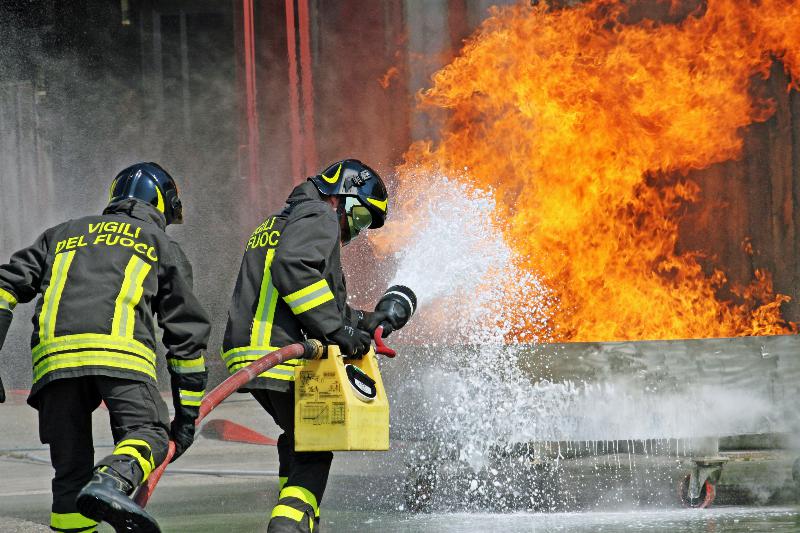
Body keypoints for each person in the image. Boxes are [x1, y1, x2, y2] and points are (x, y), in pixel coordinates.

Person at [0, 162, 210, 533]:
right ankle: (112, 481)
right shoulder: (159, 242)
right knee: (148, 434)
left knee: (70, 474)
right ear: (163, 204)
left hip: (54, 365)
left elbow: (5, 287)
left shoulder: (61, 234)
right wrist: (187, 417)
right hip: (120, 357)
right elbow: (185, 337)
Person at [222, 159, 405, 532]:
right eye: (362, 217)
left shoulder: (280, 223)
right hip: (278, 353)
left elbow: (318, 299)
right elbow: (294, 270)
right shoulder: (319, 214)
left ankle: (302, 522)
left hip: (250, 353)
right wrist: (338, 333)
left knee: (297, 438)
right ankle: (288, 527)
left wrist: (365, 323)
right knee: (315, 448)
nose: (358, 230)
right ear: (342, 197)